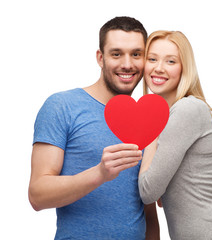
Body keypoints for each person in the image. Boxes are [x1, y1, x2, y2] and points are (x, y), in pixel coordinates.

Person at [28, 16, 160, 240]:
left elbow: (147, 207)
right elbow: (37, 195)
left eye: (136, 54)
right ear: (100, 58)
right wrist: (99, 174)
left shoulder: (148, 120)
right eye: (116, 54)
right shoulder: (62, 106)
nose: (127, 64)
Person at [138, 30, 212, 240]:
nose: (158, 68)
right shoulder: (173, 114)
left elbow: (148, 192)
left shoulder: (187, 109)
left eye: (170, 61)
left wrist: (150, 132)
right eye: (152, 59)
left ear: (184, 68)